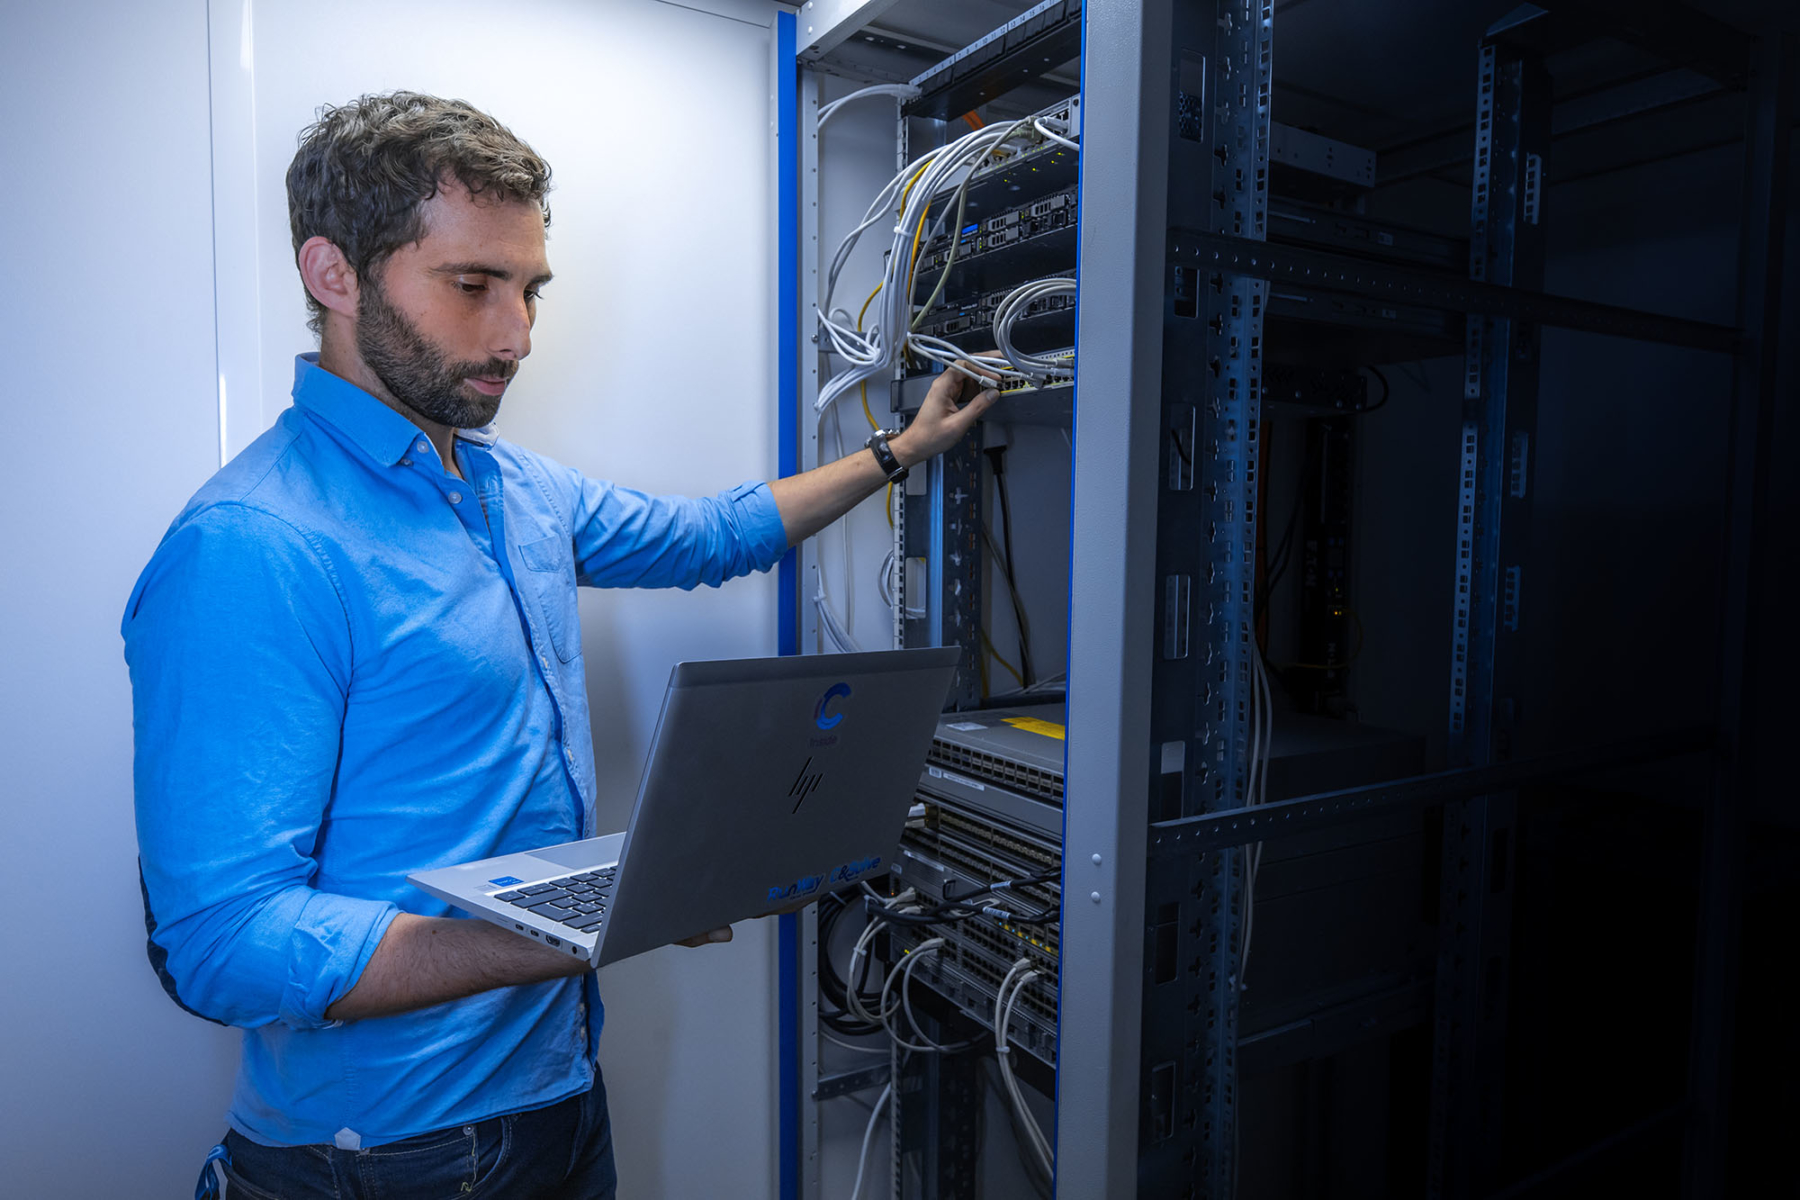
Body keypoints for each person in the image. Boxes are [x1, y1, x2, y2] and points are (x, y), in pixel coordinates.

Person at [124, 90, 996, 1200]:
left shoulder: (510, 489)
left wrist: (898, 451)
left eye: (528, 289)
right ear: (333, 274)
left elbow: (710, 535)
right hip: (395, 1155)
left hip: (559, 1092)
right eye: (473, 286)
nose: (518, 336)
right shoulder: (253, 549)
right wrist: (583, 928)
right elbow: (223, 943)